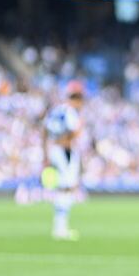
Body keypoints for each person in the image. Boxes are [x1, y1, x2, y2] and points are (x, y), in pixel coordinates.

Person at [43, 80, 84, 241]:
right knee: (66, 188)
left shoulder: (56, 110)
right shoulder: (70, 112)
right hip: (64, 151)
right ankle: (60, 228)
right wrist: (66, 142)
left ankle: (60, 227)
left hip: (54, 149)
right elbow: (73, 131)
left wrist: (45, 153)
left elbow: (44, 130)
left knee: (64, 187)